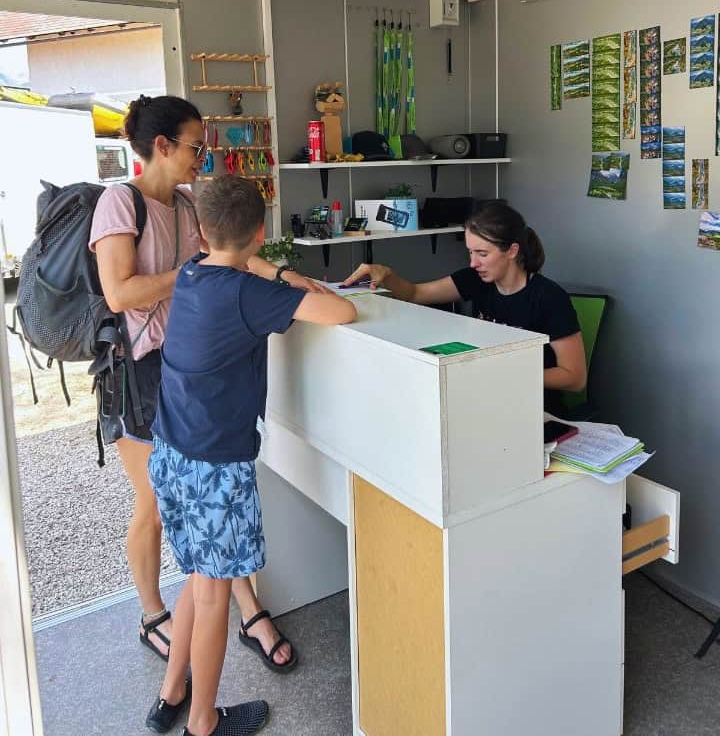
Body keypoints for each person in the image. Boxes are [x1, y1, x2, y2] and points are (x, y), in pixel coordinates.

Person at [90, 94, 325, 671]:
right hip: (136, 371)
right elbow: (121, 293)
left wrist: (282, 274)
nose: (205, 156)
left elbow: (232, 257)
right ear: (162, 146)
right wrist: (197, 276)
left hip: (182, 365)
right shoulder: (119, 203)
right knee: (155, 503)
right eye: (197, 146)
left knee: (203, 505)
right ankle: (152, 614)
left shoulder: (190, 203)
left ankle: (244, 607)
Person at [145, 175, 356, 736]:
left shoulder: (191, 274)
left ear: (201, 230)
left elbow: (234, 266)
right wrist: (280, 270)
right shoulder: (249, 293)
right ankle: (203, 722)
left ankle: (171, 694)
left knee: (197, 577)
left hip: (170, 450)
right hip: (215, 466)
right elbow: (340, 312)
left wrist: (256, 265)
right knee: (214, 594)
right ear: (261, 232)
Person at [343, 199, 586, 414]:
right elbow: (415, 293)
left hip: (532, 407)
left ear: (512, 251)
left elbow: (574, 377)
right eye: (470, 252)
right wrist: (386, 275)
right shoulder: (475, 279)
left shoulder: (549, 297)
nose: (473, 262)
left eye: (482, 253)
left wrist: (507, 376)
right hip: (482, 398)